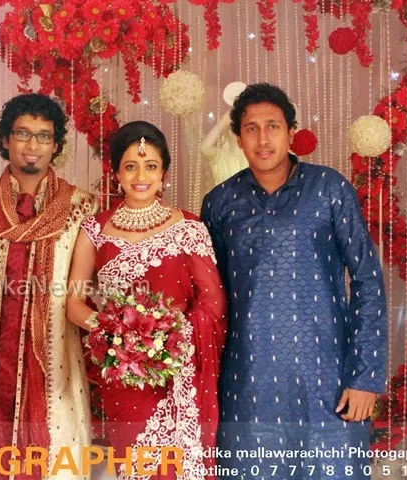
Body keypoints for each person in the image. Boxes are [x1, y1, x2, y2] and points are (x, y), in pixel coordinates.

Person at [201, 83, 388, 479]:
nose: (263, 139)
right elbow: (211, 299)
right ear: (238, 139)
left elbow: (368, 280)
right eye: (251, 129)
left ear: (291, 132)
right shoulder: (220, 203)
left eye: (273, 126)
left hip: (328, 382)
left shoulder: (329, 189)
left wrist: (365, 376)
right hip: (247, 386)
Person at [0, 93, 98, 480]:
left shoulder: (81, 206)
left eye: (44, 136)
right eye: (23, 133)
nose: (32, 145)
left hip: (53, 357)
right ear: (6, 139)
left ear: (56, 145)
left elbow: (84, 285)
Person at [66, 121, 227, 479]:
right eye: (131, 166)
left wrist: (165, 340)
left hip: (178, 370)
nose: (141, 176)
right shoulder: (94, 229)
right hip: (124, 376)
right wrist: (119, 335)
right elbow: (74, 303)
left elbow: (212, 305)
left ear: (163, 172)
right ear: (116, 173)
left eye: (150, 166)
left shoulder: (189, 228)